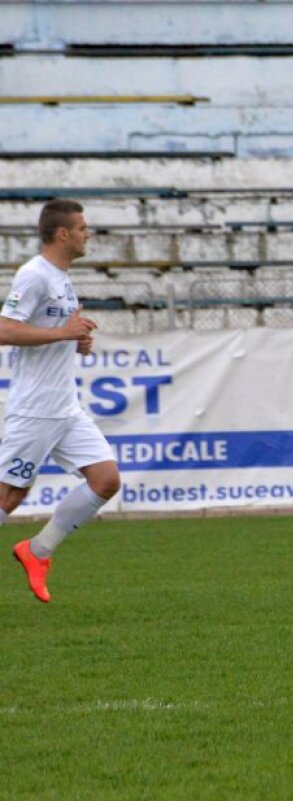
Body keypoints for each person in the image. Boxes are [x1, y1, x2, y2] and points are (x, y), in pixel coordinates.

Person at [5, 199, 121, 603]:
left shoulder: (62, 279)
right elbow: (4, 330)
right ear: (63, 234)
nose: (89, 233)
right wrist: (62, 334)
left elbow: (52, 333)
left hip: (64, 407)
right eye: (83, 227)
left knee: (106, 480)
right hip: (35, 408)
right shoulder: (35, 275)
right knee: (9, 496)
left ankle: (37, 552)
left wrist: (76, 340)